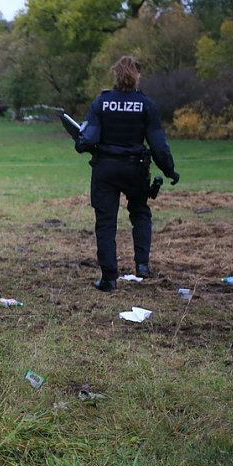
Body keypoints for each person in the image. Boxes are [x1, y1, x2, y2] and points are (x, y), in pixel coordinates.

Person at [74, 55, 179, 292]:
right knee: (140, 213)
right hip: (135, 169)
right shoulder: (146, 105)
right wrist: (170, 170)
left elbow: (87, 140)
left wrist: (79, 141)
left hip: (105, 169)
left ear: (115, 74)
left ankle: (109, 278)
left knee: (105, 222)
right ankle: (142, 265)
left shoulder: (102, 102)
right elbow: (158, 145)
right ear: (137, 76)